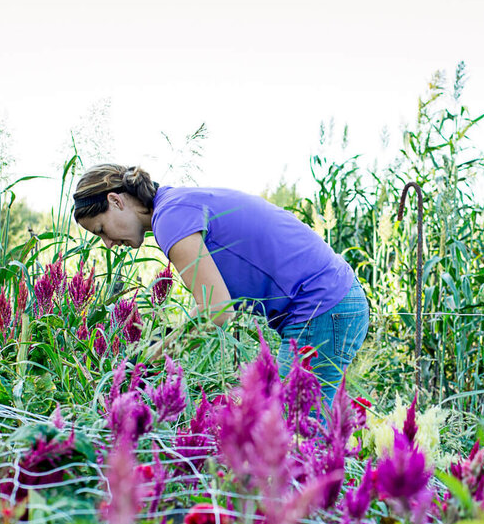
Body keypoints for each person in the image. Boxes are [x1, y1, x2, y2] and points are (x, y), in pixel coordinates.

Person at [72, 164, 368, 406]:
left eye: (101, 230)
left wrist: (160, 352)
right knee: (296, 430)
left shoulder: (170, 218)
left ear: (116, 200)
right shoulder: (176, 204)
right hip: (326, 306)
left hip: (321, 306)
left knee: (294, 433)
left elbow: (218, 310)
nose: (108, 243)